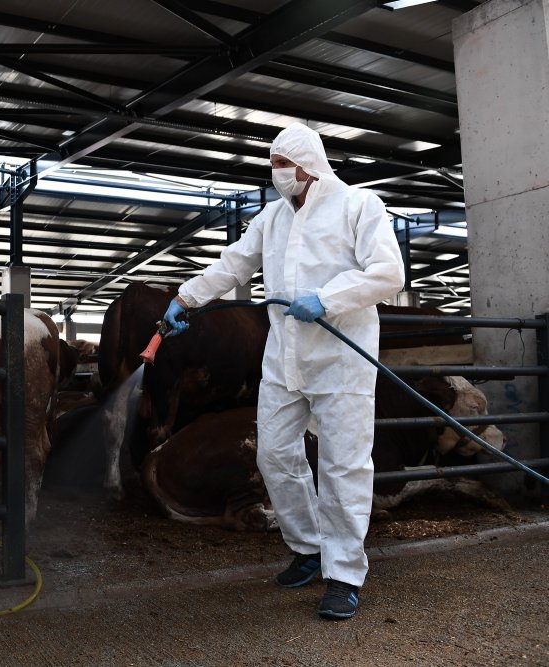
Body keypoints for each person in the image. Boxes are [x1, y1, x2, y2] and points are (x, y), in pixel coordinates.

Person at [162, 122, 405, 620]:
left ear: (307, 167)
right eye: (273, 165)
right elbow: (234, 264)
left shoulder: (360, 206)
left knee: (343, 466)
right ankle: (309, 548)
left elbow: (388, 273)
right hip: (285, 356)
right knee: (273, 453)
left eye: (282, 165)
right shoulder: (272, 217)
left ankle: (343, 575)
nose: (276, 175)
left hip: (343, 357)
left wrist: (329, 299)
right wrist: (187, 297)